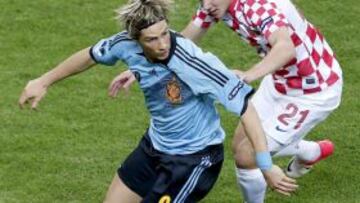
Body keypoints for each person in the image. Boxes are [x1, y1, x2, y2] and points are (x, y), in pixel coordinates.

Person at [18, 0, 298, 202]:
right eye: (152, 39)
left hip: (195, 159)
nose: (163, 44)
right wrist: (43, 81)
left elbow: (246, 109)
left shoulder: (195, 63)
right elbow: (90, 55)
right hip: (155, 147)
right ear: (135, 39)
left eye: (165, 33)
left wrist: (265, 165)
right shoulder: (124, 45)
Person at [112, 0, 343, 202]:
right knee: (241, 142)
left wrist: (248, 75)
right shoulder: (214, 5)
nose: (206, 3)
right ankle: (310, 152)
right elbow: (179, 42)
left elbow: (285, 48)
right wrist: (144, 65)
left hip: (314, 89)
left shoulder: (257, 7)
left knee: (246, 156)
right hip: (281, 79)